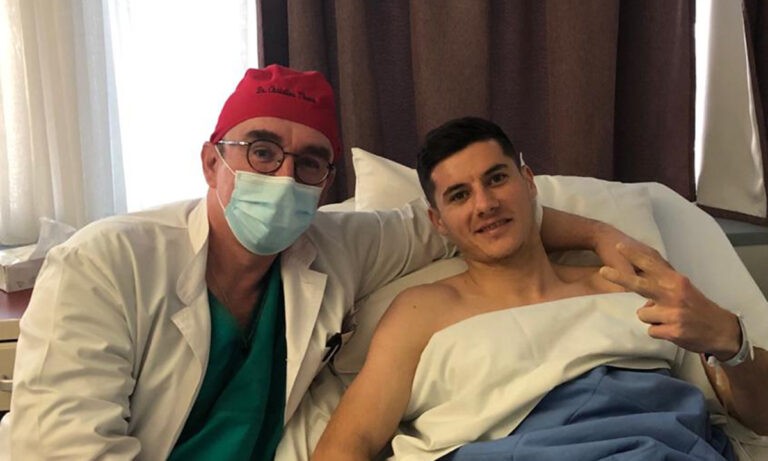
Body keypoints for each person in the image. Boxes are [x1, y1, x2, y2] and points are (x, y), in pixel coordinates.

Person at [0, 67, 640, 460]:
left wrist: (603, 235)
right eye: (261, 151)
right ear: (212, 162)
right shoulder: (104, 265)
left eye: (309, 162)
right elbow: (61, 452)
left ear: (326, 182)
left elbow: (474, 222)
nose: (284, 177)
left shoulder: (335, 246)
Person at [312, 117, 768, 461]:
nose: (485, 204)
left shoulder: (624, 285)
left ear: (528, 183)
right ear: (438, 223)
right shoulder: (421, 310)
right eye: (459, 195)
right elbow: (350, 442)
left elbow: (761, 415)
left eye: (496, 178)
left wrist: (732, 340)